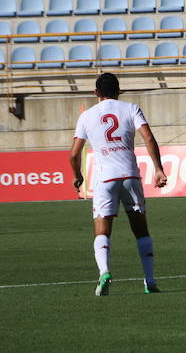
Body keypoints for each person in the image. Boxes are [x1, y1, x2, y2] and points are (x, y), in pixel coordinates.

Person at [69, 73, 168, 296]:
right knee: (141, 230)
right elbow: (149, 138)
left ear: (96, 93)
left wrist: (77, 175)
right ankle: (150, 281)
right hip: (130, 176)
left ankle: (104, 272)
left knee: (102, 231)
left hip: (105, 178)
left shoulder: (87, 116)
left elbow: (74, 154)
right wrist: (159, 169)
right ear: (119, 91)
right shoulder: (131, 108)